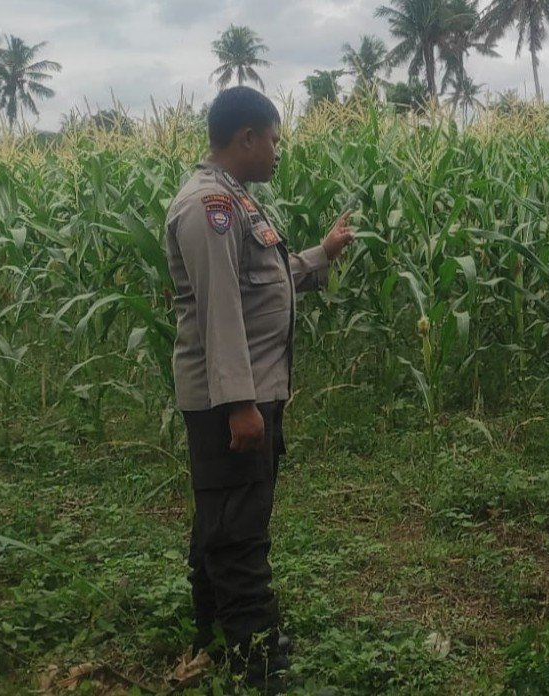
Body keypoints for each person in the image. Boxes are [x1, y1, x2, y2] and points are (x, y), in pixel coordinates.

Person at [164, 85, 355, 691]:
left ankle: (213, 629)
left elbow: (260, 284)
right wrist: (241, 405)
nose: (278, 150)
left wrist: (320, 254)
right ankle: (254, 655)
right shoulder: (209, 207)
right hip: (233, 401)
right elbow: (222, 311)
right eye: (273, 139)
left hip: (251, 392)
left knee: (224, 516)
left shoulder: (237, 202)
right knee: (239, 524)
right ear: (245, 138)